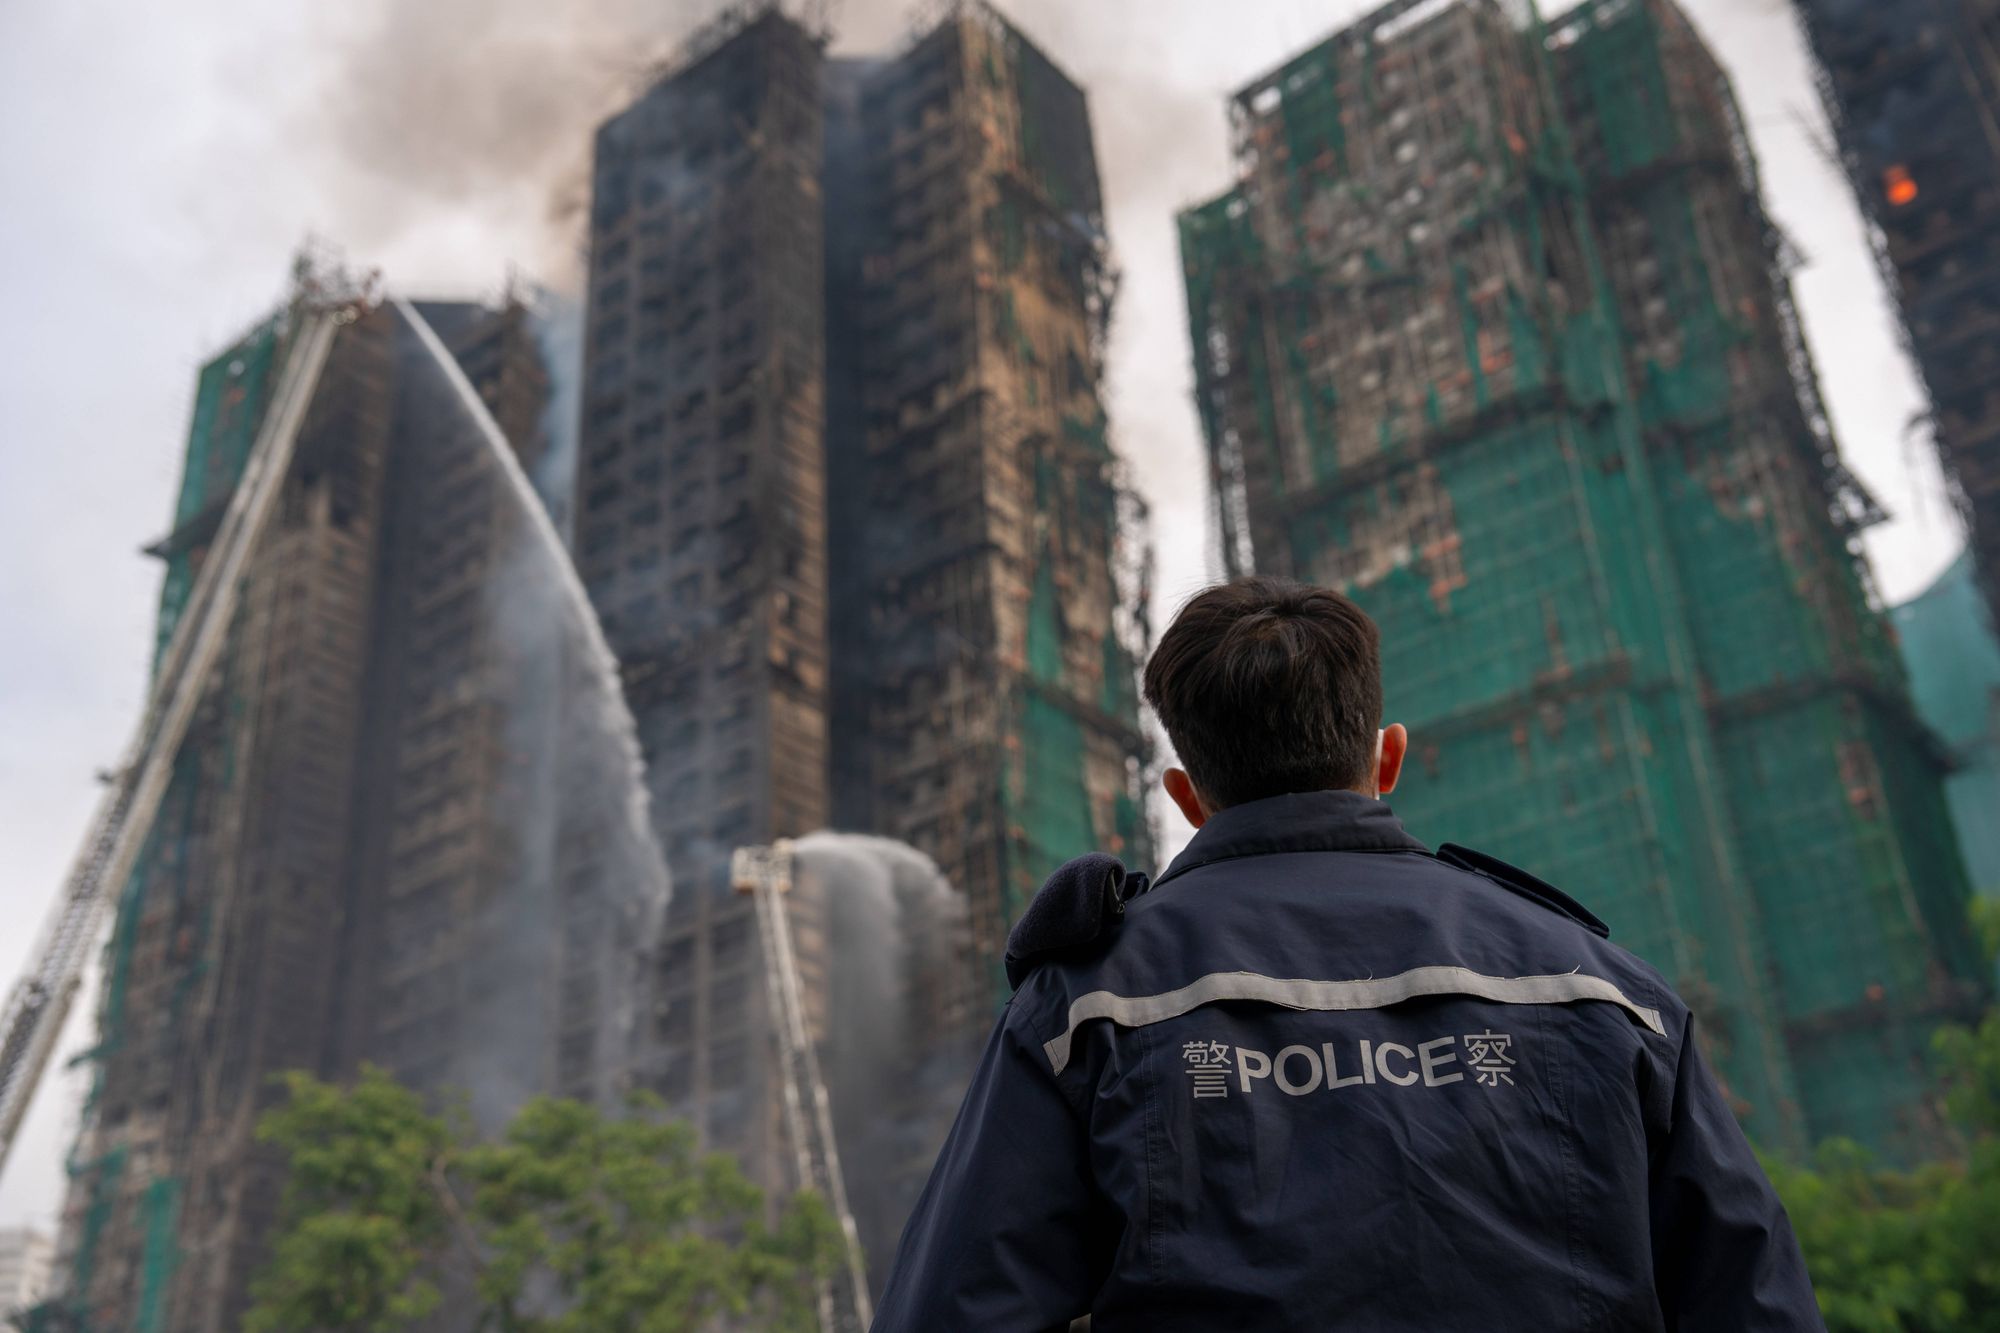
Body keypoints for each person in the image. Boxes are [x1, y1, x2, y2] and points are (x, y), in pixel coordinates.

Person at [871, 575, 1823, 1331]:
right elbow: (1755, 1301)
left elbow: (954, 1306)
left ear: (1185, 792)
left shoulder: (1085, 1005)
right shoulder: (1607, 992)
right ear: (1387, 756)